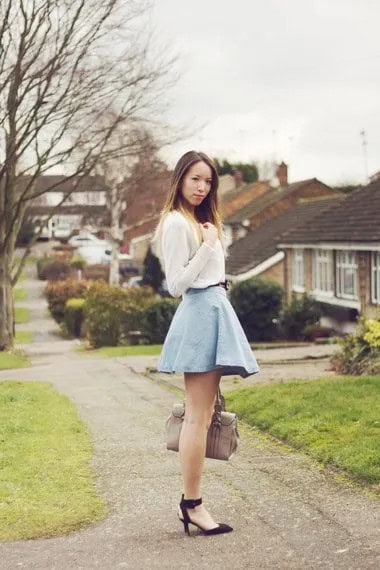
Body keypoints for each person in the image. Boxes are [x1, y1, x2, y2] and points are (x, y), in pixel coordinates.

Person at [153, 150, 259, 536]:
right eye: (195, 179)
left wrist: (211, 241)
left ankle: (193, 502)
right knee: (198, 417)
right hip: (199, 312)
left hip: (214, 308)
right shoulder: (178, 224)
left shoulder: (203, 221)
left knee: (203, 412)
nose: (202, 187)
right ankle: (193, 505)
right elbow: (176, 284)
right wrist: (209, 247)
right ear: (180, 179)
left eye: (208, 181)